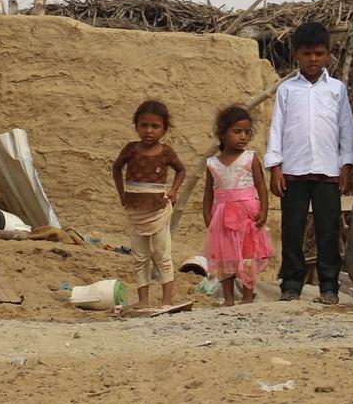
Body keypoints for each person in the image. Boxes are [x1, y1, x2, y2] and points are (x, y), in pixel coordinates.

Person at [264, 21, 353, 303]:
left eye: (318, 53)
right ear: (296, 55)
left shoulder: (337, 90)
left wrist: (347, 166)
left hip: (328, 170)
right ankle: (291, 285)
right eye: (306, 54)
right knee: (292, 229)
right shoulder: (287, 90)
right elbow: (276, 129)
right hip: (293, 171)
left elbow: (347, 129)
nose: (313, 59)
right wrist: (275, 168)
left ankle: (329, 287)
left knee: (327, 229)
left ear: (328, 54)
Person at [112, 100, 186, 308]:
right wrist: (121, 193)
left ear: (164, 129)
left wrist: (173, 191)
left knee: (162, 255)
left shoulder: (166, 152)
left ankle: (167, 299)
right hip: (135, 212)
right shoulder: (130, 150)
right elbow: (116, 169)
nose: (149, 131)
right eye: (144, 125)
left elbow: (181, 170)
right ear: (136, 126)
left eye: (155, 126)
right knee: (140, 257)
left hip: (159, 212)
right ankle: (143, 300)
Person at [202, 105, 272, 306]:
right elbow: (209, 192)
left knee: (247, 255)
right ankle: (228, 298)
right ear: (222, 134)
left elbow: (260, 185)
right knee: (225, 257)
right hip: (223, 216)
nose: (243, 136)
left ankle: (248, 296)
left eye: (247, 132)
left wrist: (264, 210)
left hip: (247, 214)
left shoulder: (250, 158)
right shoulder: (212, 163)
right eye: (237, 131)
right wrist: (207, 215)